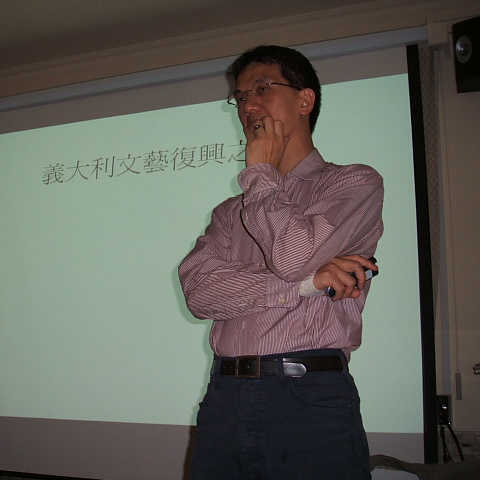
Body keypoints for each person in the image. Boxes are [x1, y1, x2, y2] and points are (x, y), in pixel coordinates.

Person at [178, 45, 384, 480]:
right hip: (224, 396)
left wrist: (260, 173)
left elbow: (292, 257)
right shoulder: (230, 212)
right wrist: (307, 284)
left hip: (308, 396)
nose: (248, 106)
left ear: (305, 100)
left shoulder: (352, 183)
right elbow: (199, 293)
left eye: (261, 89)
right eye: (240, 97)